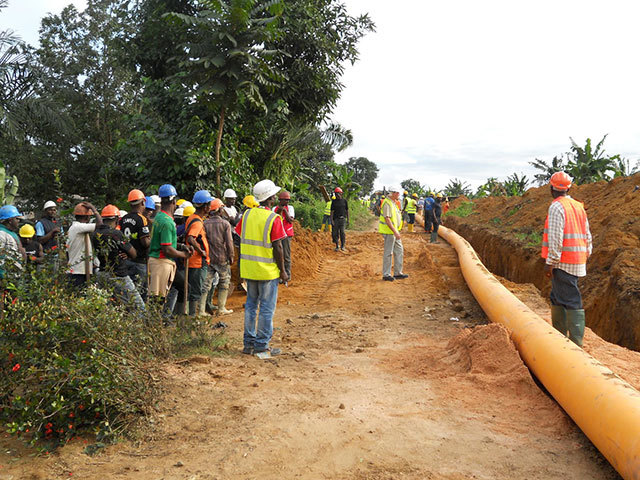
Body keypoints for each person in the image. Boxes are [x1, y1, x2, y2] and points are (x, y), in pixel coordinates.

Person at [236, 179, 288, 356]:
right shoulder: (274, 218)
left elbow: (239, 236)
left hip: (249, 270)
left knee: (251, 306)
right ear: (271, 198)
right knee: (266, 308)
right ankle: (262, 346)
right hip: (267, 272)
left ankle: (248, 344)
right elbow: (278, 247)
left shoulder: (247, 215)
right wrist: (283, 271)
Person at [542, 172, 592, 347]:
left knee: (570, 299)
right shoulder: (578, 206)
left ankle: (575, 344)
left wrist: (551, 263)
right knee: (557, 297)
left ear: (551, 188)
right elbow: (587, 234)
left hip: (563, 261)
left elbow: (556, 237)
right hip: (577, 259)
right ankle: (560, 337)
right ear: (569, 187)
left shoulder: (556, 207)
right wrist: (585, 254)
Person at [93, 205, 145, 311]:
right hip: (119, 274)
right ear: (117, 220)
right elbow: (133, 253)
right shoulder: (116, 234)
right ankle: (139, 327)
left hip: (103, 273)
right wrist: (127, 253)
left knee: (111, 307)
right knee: (139, 307)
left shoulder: (95, 234)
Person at [148, 184, 192, 305]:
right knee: (157, 299)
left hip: (160, 261)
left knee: (182, 288)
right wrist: (183, 255)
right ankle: (165, 321)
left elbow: (167, 242)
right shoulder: (167, 222)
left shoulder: (159, 217)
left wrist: (181, 246)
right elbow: (167, 249)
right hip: (161, 261)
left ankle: (170, 319)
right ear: (174, 201)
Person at [202, 198, 235, 315]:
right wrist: (231, 255)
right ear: (220, 210)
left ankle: (201, 310)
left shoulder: (204, 224)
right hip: (222, 258)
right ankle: (221, 308)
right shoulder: (225, 224)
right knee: (224, 281)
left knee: (206, 283)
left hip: (209, 258)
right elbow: (229, 242)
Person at [184, 190, 212, 315]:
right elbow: (191, 238)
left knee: (192, 289)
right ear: (205, 206)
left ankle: (191, 315)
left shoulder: (192, 218)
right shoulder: (197, 222)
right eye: (209, 204)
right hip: (197, 262)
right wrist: (201, 252)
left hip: (192, 261)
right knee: (195, 291)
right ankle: (192, 317)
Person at [119, 189, 151, 299]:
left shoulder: (123, 219)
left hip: (127, 259)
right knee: (139, 295)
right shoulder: (141, 219)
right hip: (139, 262)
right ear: (143, 202)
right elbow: (145, 242)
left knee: (128, 293)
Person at [66, 202, 103, 288]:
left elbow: (67, 253)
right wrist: (94, 209)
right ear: (87, 217)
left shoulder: (72, 229)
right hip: (79, 272)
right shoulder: (79, 227)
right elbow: (100, 225)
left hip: (75, 271)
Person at [379, 188, 408, 282]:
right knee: (389, 252)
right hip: (390, 232)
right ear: (392, 193)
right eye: (397, 192)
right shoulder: (387, 203)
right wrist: (395, 231)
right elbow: (387, 219)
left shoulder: (394, 203)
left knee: (399, 251)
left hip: (395, 232)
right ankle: (386, 274)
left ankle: (398, 273)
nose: (399, 194)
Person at [273, 190, 294, 281]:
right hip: (277, 234)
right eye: (285, 200)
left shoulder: (290, 208)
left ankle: (287, 274)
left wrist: (285, 211)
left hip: (286, 234)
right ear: (280, 200)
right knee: (277, 255)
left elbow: (290, 220)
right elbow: (273, 219)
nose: (286, 202)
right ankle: (279, 275)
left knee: (286, 255)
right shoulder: (274, 208)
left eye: (288, 200)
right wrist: (279, 210)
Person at [0, 205, 25, 278]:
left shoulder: (12, 233)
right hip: (6, 277)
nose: (18, 221)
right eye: (17, 218)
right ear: (10, 220)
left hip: (14, 275)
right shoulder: (1, 234)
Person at [330, 187, 349, 252]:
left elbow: (347, 211)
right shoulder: (334, 202)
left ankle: (343, 246)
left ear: (341, 194)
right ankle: (337, 246)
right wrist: (331, 220)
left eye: (338, 193)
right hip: (336, 220)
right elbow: (332, 211)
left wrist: (348, 219)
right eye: (336, 193)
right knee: (335, 233)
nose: (337, 195)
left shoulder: (344, 201)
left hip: (342, 219)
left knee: (342, 232)